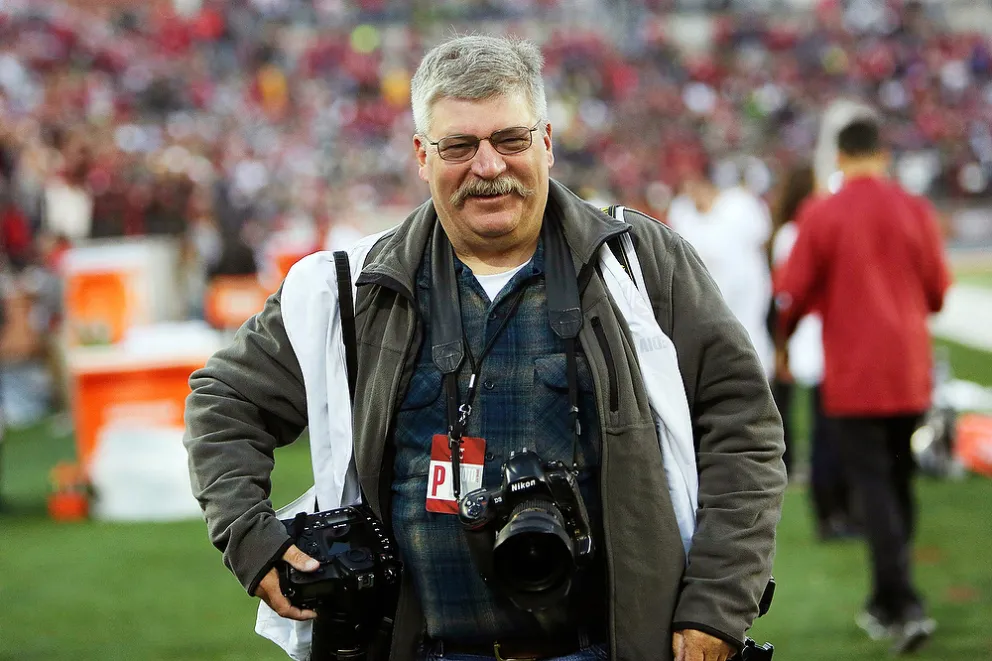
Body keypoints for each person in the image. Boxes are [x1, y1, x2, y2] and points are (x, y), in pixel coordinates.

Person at [185, 35, 786, 661]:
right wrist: (252, 540)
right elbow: (223, 398)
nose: (488, 165)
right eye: (459, 146)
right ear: (422, 155)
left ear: (547, 142)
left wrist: (717, 604)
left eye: (510, 140)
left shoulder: (639, 265)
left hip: (609, 646)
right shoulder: (348, 290)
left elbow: (741, 427)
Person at [775, 118, 951, 655]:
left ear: (842, 156)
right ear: (882, 153)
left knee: (872, 488)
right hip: (909, 371)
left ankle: (902, 604)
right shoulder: (915, 209)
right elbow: (938, 292)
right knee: (899, 483)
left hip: (854, 374)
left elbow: (792, 293)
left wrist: (782, 340)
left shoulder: (823, 212)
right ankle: (887, 596)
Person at [768, 164, 858, 538]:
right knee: (828, 429)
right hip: (816, 336)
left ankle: (834, 508)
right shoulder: (797, 232)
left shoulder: (789, 232)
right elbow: (791, 292)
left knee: (829, 428)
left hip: (810, 335)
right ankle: (830, 511)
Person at [667, 164, 775, 381]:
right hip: (709, 289)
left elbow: (761, 237)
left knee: (750, 331)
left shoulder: (738, 204)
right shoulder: (685, 213)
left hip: (746, 281)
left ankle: (758, 383)